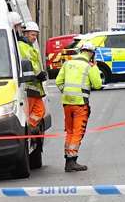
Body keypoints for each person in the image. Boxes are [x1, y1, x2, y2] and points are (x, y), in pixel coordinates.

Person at [55, 42, 101, 172]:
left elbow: (58, 82)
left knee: (69, 131)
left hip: (67, 103)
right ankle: (71, 160)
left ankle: (68, 159)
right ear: (91, 54)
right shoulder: (89, 66)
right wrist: (95, 67)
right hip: (80, 104)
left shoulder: (67, 63)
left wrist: (66, 92)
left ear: (81, 51)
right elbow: (97, 84)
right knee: (77, 132)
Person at [16, 24, 47, 141]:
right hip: (28, 86)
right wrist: (39, 73)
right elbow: (30, 62)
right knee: (31, 111)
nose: (35, 38)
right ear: (25, 33)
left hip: (34, 86)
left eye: (36, 35)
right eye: (33, 34)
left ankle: (30, 128)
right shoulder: (22, 46)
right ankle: (27, 132)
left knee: (40, 110)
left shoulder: (29, 46)